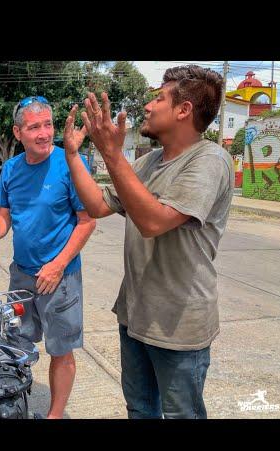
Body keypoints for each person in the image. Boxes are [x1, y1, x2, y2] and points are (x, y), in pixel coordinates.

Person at [62, 65, 233, 419]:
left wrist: (111, 154)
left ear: (184, 110)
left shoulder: (210, 160)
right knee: (139, 409)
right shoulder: (149, 161)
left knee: (182, 414)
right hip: (135, 314)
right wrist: (73, 155)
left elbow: (154, 222)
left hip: (179, 325)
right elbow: (96, 205)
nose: (147, 106)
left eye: (158, 98)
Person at [0, 96, 96, 419]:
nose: (43, 134)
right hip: (22, 275)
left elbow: (87, 220)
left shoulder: (70, 162)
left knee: (61, 351)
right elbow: (4, 217)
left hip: (60, 277)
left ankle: (54, 416)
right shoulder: (11, 169)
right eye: (34, 127)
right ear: (18, 132)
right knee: (16, 347)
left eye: (48, 125)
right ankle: (14, 407)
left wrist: (58, 265)